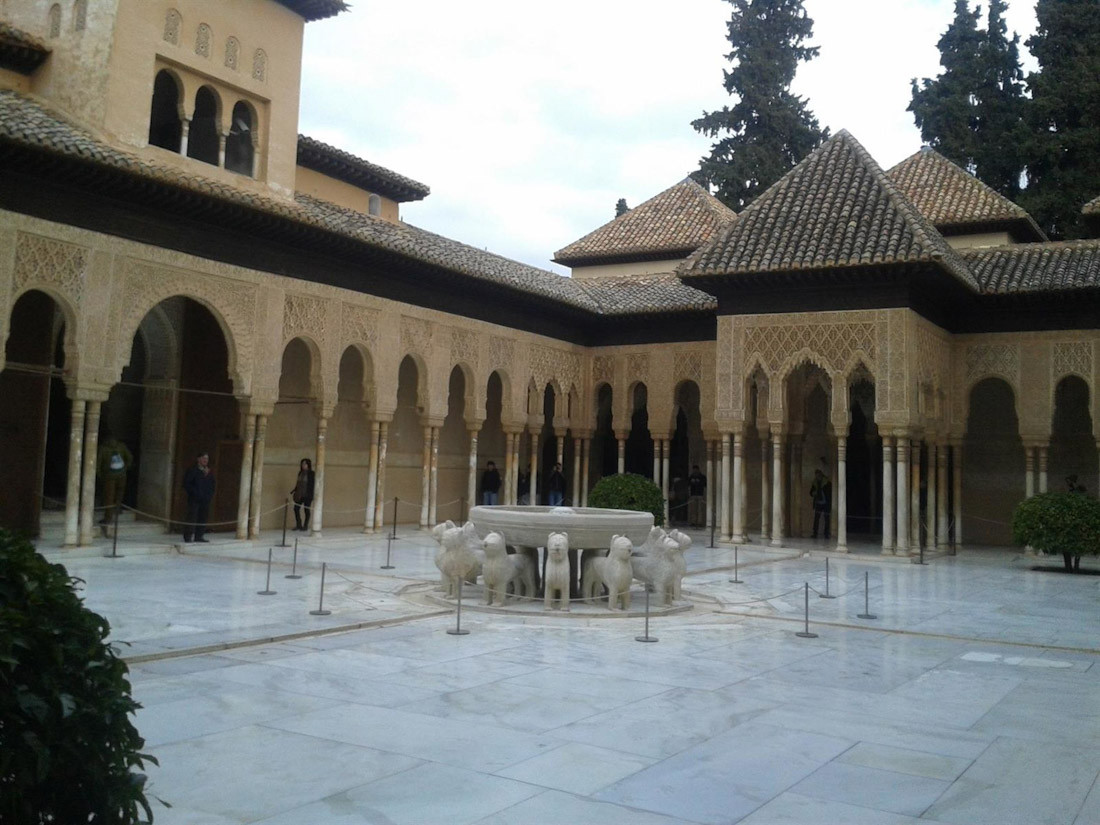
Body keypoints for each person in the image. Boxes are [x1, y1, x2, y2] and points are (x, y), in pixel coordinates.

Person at [96, 433, 132, 526]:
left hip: (109, 476)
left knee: (109, 497)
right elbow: (130, 458)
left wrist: (100, 475)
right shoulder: (121, 446)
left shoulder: (103, 448)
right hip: (122, 475)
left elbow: (98, 463)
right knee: (120, 492)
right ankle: (118, 508)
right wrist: (125, 469)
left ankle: (108, 518)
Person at [182, 451, 215, 543]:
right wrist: (195, 493)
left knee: (203, 517)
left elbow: (212, 485)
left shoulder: (209, 472)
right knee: (192, 517)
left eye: (207, 459)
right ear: (198, 459)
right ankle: (188, 536)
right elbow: (187, 484)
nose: (205, 460)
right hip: (194, 499)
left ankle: (199, 536)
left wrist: (209, 495)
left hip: (205, 500)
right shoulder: (192, 470)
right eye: (204, 458)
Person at [290, 457, 315, 531]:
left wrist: (310, 495)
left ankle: (305, 525)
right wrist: (295, 490)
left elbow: (312, 485)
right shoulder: (300, 473)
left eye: (305, 464)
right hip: (299, 494)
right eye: (302, 464)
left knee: (306, 510)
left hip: (307, 495)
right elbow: (298, 483)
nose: (303, 465)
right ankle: (299, 524)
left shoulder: (311, 473)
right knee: (296, 509)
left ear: (308, 465)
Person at [810, 468, 832, 539]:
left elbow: (829, 494)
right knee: (816, 519)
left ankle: (826, 534)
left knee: (827, 519)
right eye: (816, 475)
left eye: (818, 475)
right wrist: (814, 493)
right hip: (818, 503)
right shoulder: (815, 482)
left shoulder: (827, 483)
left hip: (826, 503)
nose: (817, 476)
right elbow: (810, 492)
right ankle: (815, 533)